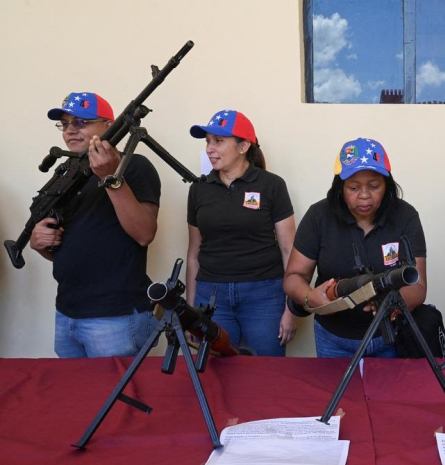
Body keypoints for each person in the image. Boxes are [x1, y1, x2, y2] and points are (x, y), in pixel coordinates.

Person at [30, 92, 161, 358]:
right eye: (65, 124)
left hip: (116, 316)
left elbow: (144, 233)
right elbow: (66, 248)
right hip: (66, 312)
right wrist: (39, 242)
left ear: (109, 126)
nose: (70, 130)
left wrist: (111, 177)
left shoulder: (133, 166)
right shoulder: (66, 174)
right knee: (76, 387)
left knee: (119, 387)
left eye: (81, 122)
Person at [283, 137, 427, 358]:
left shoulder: (405, 216)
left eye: (374, 186)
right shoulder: (319, 216)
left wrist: (393, 304)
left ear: (387, 185)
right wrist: (309, 297)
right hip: (333, 338)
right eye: (353, 187)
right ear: (340, 187)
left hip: (388, 339)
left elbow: (418, 285)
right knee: (334, 383)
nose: (364, 195)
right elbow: (294, 276)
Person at [186, 110, 296, 356]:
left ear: (244, 146)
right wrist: (191, 312)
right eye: (208, 141)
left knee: (266, 369)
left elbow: (289, 250)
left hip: (264, 295)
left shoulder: (272, 185)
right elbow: (194, 254)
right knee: (215, 371)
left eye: (218, 141)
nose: (210, 149)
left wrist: (291, 308)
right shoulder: (199, 189)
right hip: (211, 296)